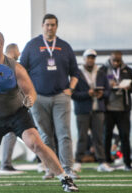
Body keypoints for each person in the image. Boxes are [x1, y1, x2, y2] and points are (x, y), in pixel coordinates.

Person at [0, 30, 78, 192]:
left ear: (0, 44)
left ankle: (65, 178)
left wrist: (30, 99)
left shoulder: (15, 68)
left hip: (16, 115)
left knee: (36, 144)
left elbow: (30, 91)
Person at [20, 13, 80, 179]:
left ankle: (68, 168)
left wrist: (71, 89)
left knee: (64, 133)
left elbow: (75, 72)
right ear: (42, 25)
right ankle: (51, 169)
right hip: (38, 98)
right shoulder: (32, 45)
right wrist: (27, 92)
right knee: (45, 135)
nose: (50, 27)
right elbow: (21, 70)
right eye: (47, 24)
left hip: (61, 96)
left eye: (53, 25)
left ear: (56, 26)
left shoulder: (65, 46)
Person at [71, 49, 114, 172]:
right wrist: (87, 94)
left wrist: (102, 94)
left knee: (99, 138)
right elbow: (73, 94)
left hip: (98, 110)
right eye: (88, 57)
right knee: (82, 137)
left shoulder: (101, 72)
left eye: (93, 58)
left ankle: (102, 162)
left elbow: (108, 90)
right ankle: (78, 162)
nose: (91, 60)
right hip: (82, 110)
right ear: (84, 59)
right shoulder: (77, 74)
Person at [99, 51, 132, 171]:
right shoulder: (102, 70)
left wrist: (128, 87)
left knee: (125, 136)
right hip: (108, 109)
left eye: (118, 60)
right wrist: (108, 86)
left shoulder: (128, 70)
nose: (116, 63)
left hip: (123, 110)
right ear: (110, 59)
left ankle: (127, 163)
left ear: (121, 59)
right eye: (114, 60)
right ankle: (106, 162)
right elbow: (98, 88)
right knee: (106, 136)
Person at [0, 43, 23, 174]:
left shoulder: (1, 63)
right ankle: (5, 164)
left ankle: (6, 163)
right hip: (8, 105)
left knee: (11, 134)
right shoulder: (12, 65)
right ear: (13, 51)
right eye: (18, 51)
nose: (20, 54)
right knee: (11, 133)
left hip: (1, 105)